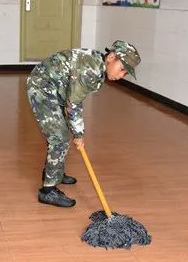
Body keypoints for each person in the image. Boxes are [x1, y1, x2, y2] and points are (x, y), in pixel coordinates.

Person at [26, 40, 141, 207]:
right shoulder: (90, 69)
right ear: (111, 57)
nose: (121, 76)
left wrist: (76, 130)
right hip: (42, 86)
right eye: (122, 69)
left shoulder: (97, 65)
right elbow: (74, 103)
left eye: (125, 73)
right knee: (59, 137)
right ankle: (47, 191)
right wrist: (79, 134)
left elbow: (74, 97)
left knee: (62, 132)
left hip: (56, 88)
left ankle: (55, 173)